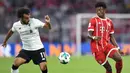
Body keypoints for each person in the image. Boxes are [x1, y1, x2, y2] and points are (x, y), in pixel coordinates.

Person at [2, 7, 51, 73]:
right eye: (26, 17)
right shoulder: (16, 25)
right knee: (16, 62)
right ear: (21, 16)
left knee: (43, 67)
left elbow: (48, 27)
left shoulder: (34, 21)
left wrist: (48, 23)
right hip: (26, 50)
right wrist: (5, 41)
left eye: (29, 15)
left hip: (39, 49)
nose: (28, 17)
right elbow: (11, 31)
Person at [88, 2, 123, 73]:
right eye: (97, 10)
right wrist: (94, 37)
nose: (99, 12)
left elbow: (111, 37)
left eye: (100, 10)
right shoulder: (93, 20)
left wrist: (117, 47)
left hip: (107, 46)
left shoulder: (109, 22)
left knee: (119, 59)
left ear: (105, 10)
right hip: (97, 48)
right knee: (109, 68)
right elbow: (88, 35)